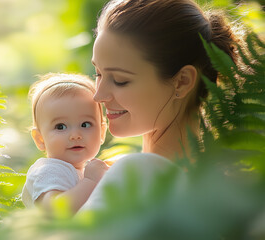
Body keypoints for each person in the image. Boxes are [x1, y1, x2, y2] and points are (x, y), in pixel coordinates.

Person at [78, 0, 243, 211]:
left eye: (120, 80)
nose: (98, 95)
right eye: (98, 74)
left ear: (182, 81)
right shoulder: (225, 191)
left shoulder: (137, 174)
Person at [22, 73, 108, 214]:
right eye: (60, 126)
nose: (75, 135)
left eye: (85, 124)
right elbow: (55, 211)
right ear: (40, 139)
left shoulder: (82, 171)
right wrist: (91, 181)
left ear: (102, 132)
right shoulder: (50, 171)